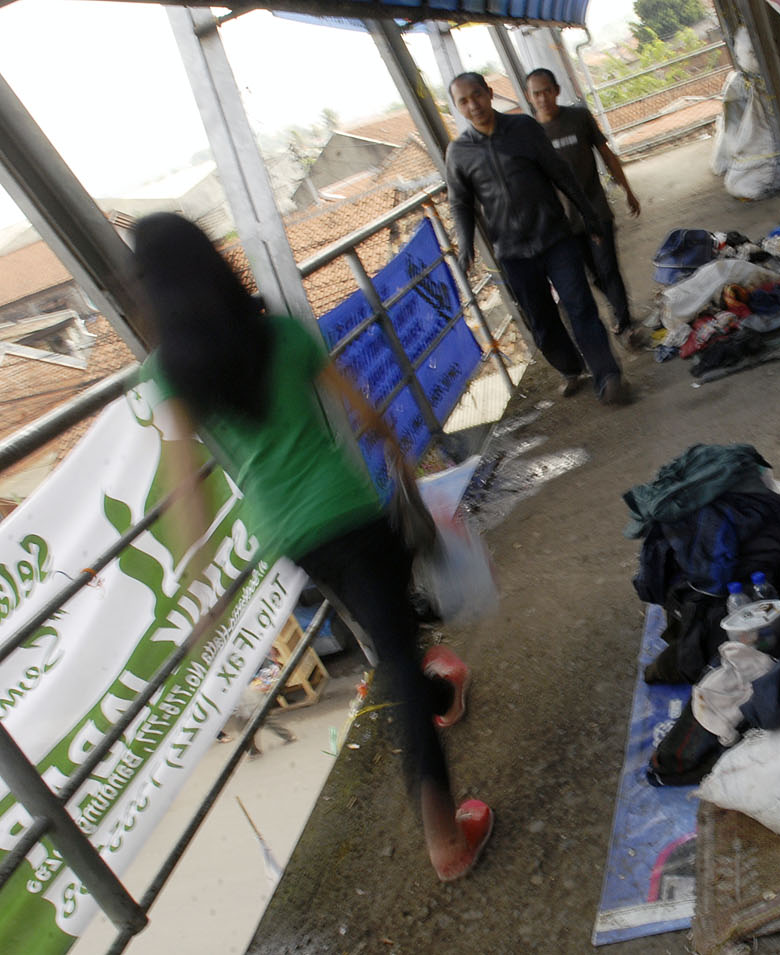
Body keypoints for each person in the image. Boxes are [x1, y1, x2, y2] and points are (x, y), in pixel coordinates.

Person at [131, 213, 492, 883]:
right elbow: (368, 414)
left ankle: (443, 684)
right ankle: (446, 834)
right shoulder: (284, 335)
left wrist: (202, 589)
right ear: (215, 263)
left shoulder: (171, 371)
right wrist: (398, 455)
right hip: (348, 512)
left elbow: (188, 490)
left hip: (289, 536)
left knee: (391, 626)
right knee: (397, 656)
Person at [446, 71, 628, 404]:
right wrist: (466, 244)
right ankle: (572, 367)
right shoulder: (459, 153)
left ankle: (608, 375)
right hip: (512, 251)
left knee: (581, 307)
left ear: (489, 93)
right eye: (464, 101)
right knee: (541, 320)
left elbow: (560, 172)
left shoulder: (524, 129)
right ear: (457, 108)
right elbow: (459, 202)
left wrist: (589, 216)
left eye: (477, 95)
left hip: (555, 238)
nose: (473, 105)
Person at [525, 67, 649, 348]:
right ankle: (620, 311)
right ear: (529, 97)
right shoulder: (529, 133)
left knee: (608, 266)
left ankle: (626, 323)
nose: (543, 97)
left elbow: (606, 153)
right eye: (536, 93)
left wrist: (627, 190)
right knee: (593, 273)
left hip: (595, 209)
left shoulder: (578, 118)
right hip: (563, 221)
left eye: (547, 90)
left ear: (556, 90)